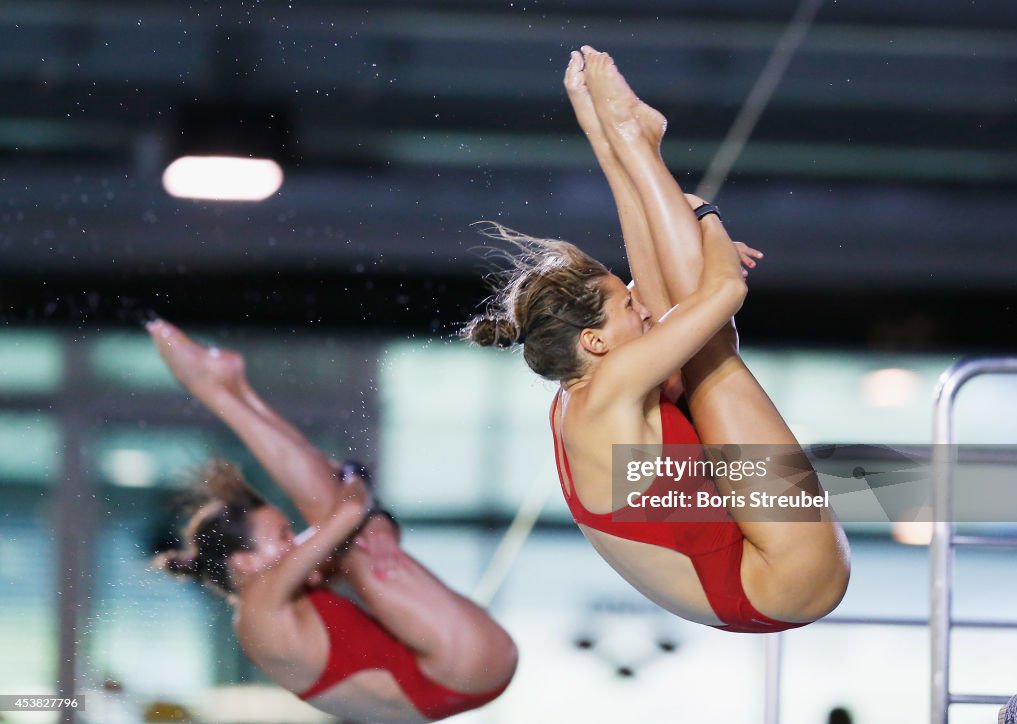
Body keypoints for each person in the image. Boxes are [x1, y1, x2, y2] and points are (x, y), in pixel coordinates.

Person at [464, 46, 850, 633]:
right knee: (712, 351)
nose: (639, 306)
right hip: (785, 579)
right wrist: (703, 213)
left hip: (755, 579)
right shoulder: (611, 386)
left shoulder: (585, 391)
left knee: (685, 315)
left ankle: (630, 139)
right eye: (625, 306)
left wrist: (605, 137)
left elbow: (679, 290)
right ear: (594, 341)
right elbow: (722, 296)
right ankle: (636, 141)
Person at [147, 319, 517, 722]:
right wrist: (354, 474)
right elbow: (349, 512)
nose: (295, 541)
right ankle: (213, 388)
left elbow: (361, 524)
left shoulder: (277, 595)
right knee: (335, 517)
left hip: (457, 677)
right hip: (459, 668)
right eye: (282, 534)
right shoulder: (260, 609)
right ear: (244, 561)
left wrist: (380, 529)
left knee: (348, 533)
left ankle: (227, 389)